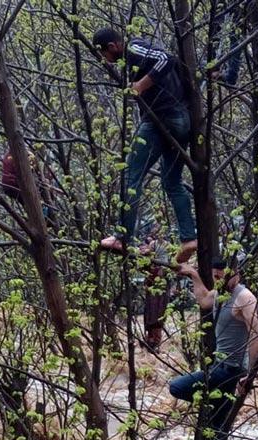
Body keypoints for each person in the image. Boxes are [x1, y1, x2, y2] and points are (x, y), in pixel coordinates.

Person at [92, 27, 197, 263]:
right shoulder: (134, 59)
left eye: (104, 55)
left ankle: (123, 235)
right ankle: (189, 238)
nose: (105, 61)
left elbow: (166, 59)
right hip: (181, 121)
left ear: (112, 46)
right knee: (171, 182)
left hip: (163, 118)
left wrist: (140, 85)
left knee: (131, 176)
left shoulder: (132, 48)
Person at [169, 256, 258, 440]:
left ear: (237, 274)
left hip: (231, 371)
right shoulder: (221, 294)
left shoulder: (245, 298)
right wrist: (192, 274)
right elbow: (203, 300)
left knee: (176, 386)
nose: (219, 281)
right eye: (216, 277)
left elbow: (257, 336)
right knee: (217, 425)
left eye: (223, 277)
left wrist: (249, 375)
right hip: (219, 368)